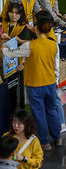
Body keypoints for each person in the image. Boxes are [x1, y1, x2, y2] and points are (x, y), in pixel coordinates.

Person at [4, 13, 63, 149]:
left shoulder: (30, 46)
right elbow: (55, 66)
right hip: (50, 83)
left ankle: (45, 142)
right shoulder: (54, 45)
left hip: (35, 85)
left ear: (36, 28)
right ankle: (58, 138)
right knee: (52, 110)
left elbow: (12, 53)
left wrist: (4, 48)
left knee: (39, 113)